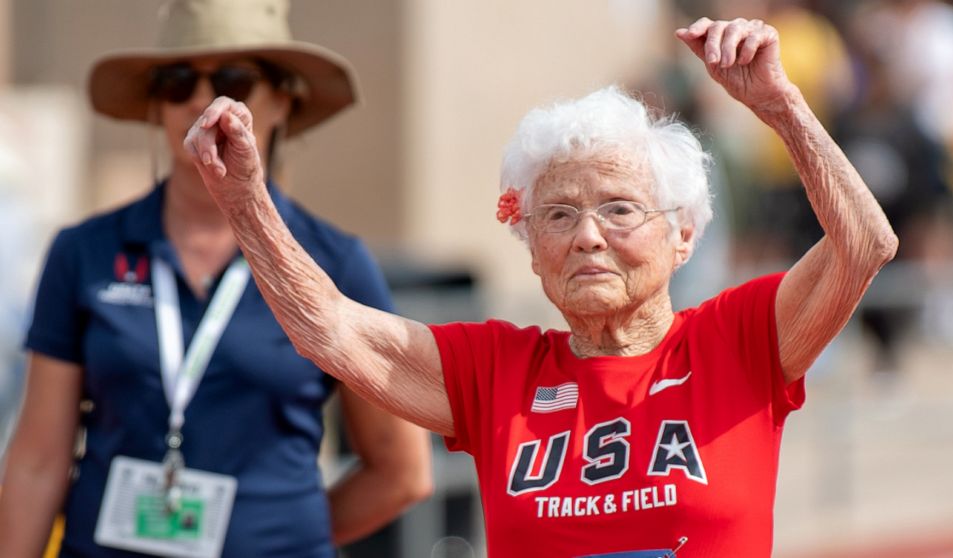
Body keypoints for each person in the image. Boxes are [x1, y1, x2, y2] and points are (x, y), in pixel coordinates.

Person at [183, 16, 897, 557]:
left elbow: (864, 243)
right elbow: (330, 329)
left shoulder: (737, 341)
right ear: (532, 250)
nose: (587, 235)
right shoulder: (496, 373)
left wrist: (780, 108)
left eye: (619, 208)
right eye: (558, 214)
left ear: (684, 235)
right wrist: (244, 199)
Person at [0, 1, 432, 557]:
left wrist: (280, 533)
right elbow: (38, 459)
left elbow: (402, 472)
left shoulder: (336, 263)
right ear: (156, 106)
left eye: (234, 80)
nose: (203, 100)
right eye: (179, 82)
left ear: (283, 102)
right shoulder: (83, 252)